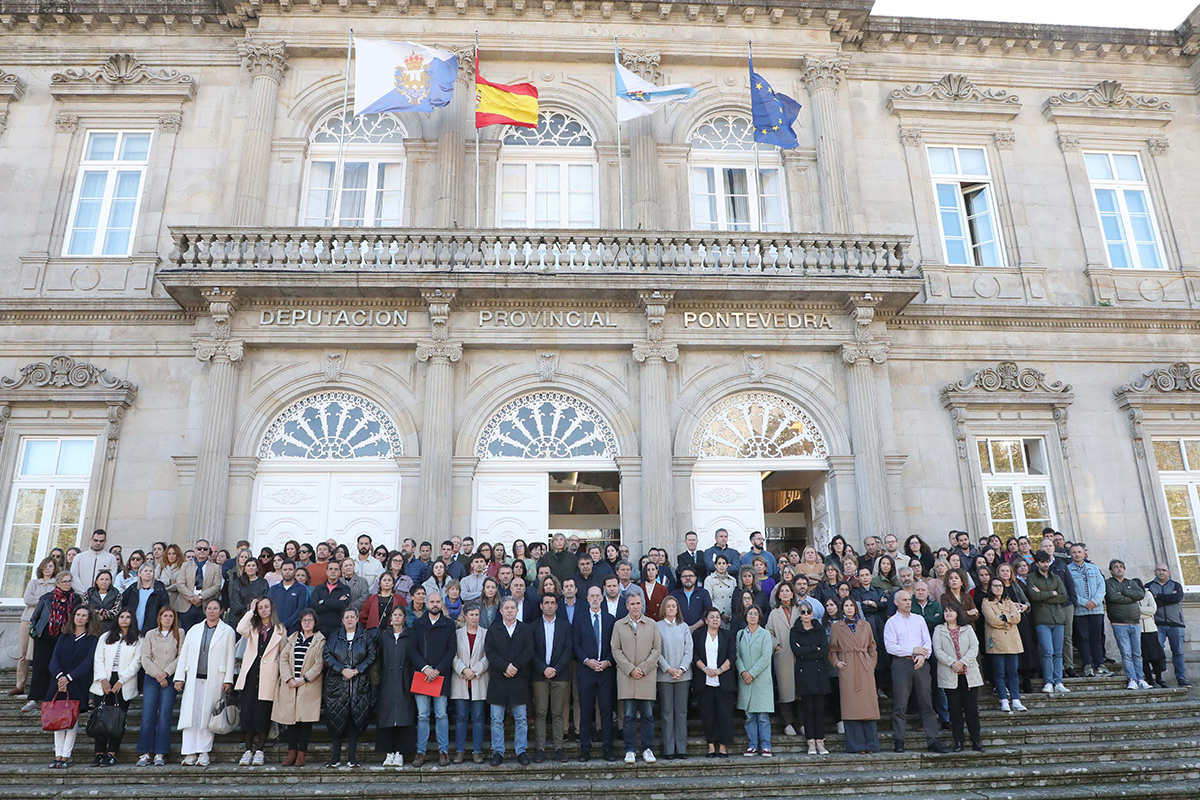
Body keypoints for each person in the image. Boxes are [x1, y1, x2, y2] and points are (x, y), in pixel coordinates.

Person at [174, 598, 235, 766]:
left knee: (207, 716)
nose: (212, 611)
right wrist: (179, 677)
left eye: (215, 608)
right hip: (194, 678)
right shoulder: (194, 629)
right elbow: (184, 654)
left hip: (215, 678)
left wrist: (228, 679)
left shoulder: (227, 631)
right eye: (209, 608)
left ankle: (204, 752)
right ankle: (189, 753)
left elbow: (230, 657)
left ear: (221, 611)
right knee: (190, 715)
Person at [883, 590, 946, 753]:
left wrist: (923, 656)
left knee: (927, 702)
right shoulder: (891, 623)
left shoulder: (919, 620)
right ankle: (899, 740)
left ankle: (933, 740)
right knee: (900, 703)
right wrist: (912, 650)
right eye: (904, 600)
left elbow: (927, 642)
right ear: (896, 603)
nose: (908, 602)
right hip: (901, 664)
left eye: (909, 600)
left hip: (921, 663)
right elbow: (890, 647)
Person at [234, 597, 284, 766]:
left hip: (268, 675)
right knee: (247, 713)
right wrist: (251, 610)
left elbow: (283, 653)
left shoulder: (279, 629)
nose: (263, 610)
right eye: (260, 607)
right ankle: (248, 750)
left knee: (263, 714)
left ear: (271, 608)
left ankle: (260, 750)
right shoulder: (253, 627)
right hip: (250, 674)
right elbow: (240, 627)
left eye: (266, 607)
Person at [611, 592, 660, 764]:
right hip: (627, 676)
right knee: (629, 715)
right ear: (627, 606)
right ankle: (630, 749)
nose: (636, 606)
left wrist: (643, 668)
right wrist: (631, 669)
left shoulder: (652, 624)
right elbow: (616, 649)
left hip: (646, 676)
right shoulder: (619, 625)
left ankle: (648, 749)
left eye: (638, 603)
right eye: (632, 604)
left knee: (647, 715)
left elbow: (656, 649)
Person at [322, 608, 375, 768]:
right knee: (336, 720)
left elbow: (371, 655)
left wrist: (358, 669)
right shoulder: (334, 637)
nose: (350, 620)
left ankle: (352, 758)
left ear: (357, 619)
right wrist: (341, 669)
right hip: (337, 686)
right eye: (347, 617)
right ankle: (335, 757)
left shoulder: (365, 636)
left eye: (353, 617)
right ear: (342, 620)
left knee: (354, 720)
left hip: (359, 685)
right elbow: (327, 655)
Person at [484, 597, 534, 766]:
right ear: (501, 611)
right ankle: (498, 751)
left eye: (513, 607)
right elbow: (489, 652)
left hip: (519, 679)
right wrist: (505, 666)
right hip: (499, 679)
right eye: (507, 608)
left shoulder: (525, 629)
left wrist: (515, 666)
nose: (510, 610)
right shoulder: (493, 629)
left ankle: (521, 751)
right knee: (496, 719)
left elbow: (529, 650)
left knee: (521, 719)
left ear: (517, 610)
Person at [46, 606, 97, 769]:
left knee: (71, 719)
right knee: (57, 718)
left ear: (88, 619)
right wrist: (60, 676)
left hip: (77, 683)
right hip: (58, 683)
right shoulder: (64, 637)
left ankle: (66, 755)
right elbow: (54, 660)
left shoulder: (92, 639)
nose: (80, 618)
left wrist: (69, 677)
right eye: (78, 615)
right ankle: (57, 754)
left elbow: (87, 663)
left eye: (84, 615)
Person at [88, 608, 140, 765]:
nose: (124, 619)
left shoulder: (138, 639)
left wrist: (121, 680)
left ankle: (112, 753)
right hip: (104, 680)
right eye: (121, 617)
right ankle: (99, 752)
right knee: (101, 717)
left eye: (128, 617)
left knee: (118, 719)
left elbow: (136, 663)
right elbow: (98, 658)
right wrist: (103, 679)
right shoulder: (106, 637)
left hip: (123, 681)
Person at [273, 609, 325, 767]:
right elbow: (283, 659)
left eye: (310, 620)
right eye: (304, 620)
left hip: (308, 685)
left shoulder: (319, 640)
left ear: (315, 622)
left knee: (305, 722)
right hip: (290, 685)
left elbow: (319, 664)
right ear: (300, 622)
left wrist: (304, 679)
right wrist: (288, 678)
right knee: (291, 721)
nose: (307, 622)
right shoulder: (293, 638)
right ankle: (291, 753)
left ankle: (301, 754)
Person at [828, 596, 880, 754]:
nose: (849, 608)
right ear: (842, 608)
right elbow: (832, 650)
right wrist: (837, 663)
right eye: (846, 606)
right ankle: (856, 745)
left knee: (868, 705)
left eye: (851, 605)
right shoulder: (837, 627)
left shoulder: (866, 625)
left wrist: (871, 663)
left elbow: (872, 647)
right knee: (851, 707)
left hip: (864, 666)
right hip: (848, 667)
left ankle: (871, 744)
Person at [26, 571, 82, 714]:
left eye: (69, 581)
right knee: (41, 666)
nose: (67, 584)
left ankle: (53, 697)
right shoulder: (47, 597)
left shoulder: (76, 599)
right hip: (45, 636)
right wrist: (33, 630)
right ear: (57, 583)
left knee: (60, 668)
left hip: (65, 637)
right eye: (64, 581)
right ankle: (35, 698)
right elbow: (35, 616)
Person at [573, 585, 617, 762]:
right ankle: (585, 748)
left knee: (606, 711)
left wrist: (607, 661)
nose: (594, 599)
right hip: (586, 671)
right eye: (591, 596)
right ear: (587, 598)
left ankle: (608, 748)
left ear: (602, 597)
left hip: (606, 671)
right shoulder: (579, 618)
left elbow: (615, 645)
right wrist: (587, 661)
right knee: (586, 711)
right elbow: (575, 644)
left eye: (597, 595)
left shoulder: (610, 619)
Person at [933, 601, 984, 752]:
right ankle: (958, 742)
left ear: (957, 613)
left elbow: (974, 647)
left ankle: (976, 740)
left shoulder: (967, 629)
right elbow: (938, 650)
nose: (948, 613)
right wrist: (953, 663)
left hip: (968, 674)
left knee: (972, 710)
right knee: (954, 711)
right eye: (946, 611)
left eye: (951, 611)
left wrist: (962, 662)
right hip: (950, 674)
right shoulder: (939, 630)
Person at [411, 590, 455, 766]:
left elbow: (452, 650)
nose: (435, 604)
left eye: (438, 602)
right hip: (422, 675)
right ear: (427, 604)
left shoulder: (449, 625)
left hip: (440, 675)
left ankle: (443, 751)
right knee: (422, 715)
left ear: (441, 604)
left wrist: (437, 669)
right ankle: (420, 752)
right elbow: (412, 650)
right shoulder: (417, 624)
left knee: (441, 714)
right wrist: (425, 668)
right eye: (432, 602)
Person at [136, 607, 181, 766]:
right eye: (165, 616)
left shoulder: (179, 633)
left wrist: (166, 673)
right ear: (159, 618)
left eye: (171, 616)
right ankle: (145, 752)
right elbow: (145, 658)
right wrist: (158, 674)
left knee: (165, 715)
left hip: (169, 678)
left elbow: (181, 656)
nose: (168, 619)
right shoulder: (150, 634)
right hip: (151, 677)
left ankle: (160, 752)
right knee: (148, 714)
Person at [530, 591, 571, 763]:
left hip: (560, 675)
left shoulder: (565, 626)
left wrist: (554, 669)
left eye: (552, 602)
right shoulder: (533, 626)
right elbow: (530, 651)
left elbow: (568, 650)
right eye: (546, 602)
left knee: (558, 713)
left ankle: (558, 748)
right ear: (541, 606)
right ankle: (540, 749)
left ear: (556, 606)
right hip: (539, 676)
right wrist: (543, 669)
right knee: (540, 712)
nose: (549, 605)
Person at [375, 605, 417, 768]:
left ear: (404, 618)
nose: (397, 617)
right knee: (387, 715)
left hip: (404, 679)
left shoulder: (410, 635)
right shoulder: (384, 637)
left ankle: (400, 752)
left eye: (400, 615)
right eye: (394, 615)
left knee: (404, 715)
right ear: (390, 618)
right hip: (387, 680)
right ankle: (388, 752)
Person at [693, 607, 735, 758]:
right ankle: (711, 746)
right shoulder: (698, 635)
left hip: (723, 680)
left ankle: (723, 746)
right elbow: (695, 655)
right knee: (707, 714)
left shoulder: (727, 635)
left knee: (724, 714)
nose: (716, 619)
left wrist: (720, 670)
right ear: (706, 620)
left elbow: (732, 655)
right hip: (704, 680)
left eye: (718, 617)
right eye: (712, 617)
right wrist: (705, 669)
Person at [790, 598, 831, 755]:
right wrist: (814, 648)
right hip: (804, 673)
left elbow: (824, 650)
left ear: (813, 613)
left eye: (808, 612)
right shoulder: (795, 631)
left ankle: (820, 741)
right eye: (803, 612)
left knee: (819, 709)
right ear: (799, 614)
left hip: (819, 672)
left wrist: (807, 649)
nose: (806, 615)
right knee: (807, 709)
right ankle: (811, 742)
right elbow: (796, 651)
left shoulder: (819, 629)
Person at [15, 556, 58, 698]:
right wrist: (44, 599)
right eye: (45, 566)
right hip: (28, 619)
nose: (47, 568)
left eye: (51, 566)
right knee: (23, 654)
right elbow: (27, 599)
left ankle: (38, 687)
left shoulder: (55, 584)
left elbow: (54, 601)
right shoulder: (33, 583)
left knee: (38, 656)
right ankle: (20, 685)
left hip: (44, 624)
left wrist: (41, 600)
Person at [1027, 551, 1070, 694]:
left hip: (1058, 618)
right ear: (1037, 563)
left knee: (1058, 652)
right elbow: (1034, 596)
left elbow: (1063, 596)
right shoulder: (1032, 578)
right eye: (1043, 562)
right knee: (1047, 651)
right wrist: (1052, 593)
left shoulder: (1056, 578)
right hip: (1042, 619)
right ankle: (1048, 681)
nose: (1045, 564)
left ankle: (1058, 681)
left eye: (1047, 561)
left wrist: (1043, 595)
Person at [655, 595, 692, 760]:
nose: (671, 609)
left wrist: (681, 669)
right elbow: (656, 651)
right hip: (665, 676)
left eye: (673, 606)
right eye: (668, 606)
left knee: (681, 712)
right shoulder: (657, 627)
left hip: (683, 676)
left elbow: (688, 650)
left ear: (678, 609)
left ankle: (681, 748)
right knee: (667, 713)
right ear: (664, 608)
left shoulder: (684, 627)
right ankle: (669, 749)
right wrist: (668, 669)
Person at [452, 605, 489, 764]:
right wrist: (463, 670)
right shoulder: (457, 634)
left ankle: (477, 751)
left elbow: (488, 656)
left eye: (477, 614)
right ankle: (460, 751)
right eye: (471, 614)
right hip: (461, 680)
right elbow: (452, 655)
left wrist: (475, 670)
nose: (474, 617)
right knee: (460, 717)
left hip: (478, 679)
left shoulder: (486, 634)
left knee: (479, 717)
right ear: (465, 616)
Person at [982, 578, 1026, 712]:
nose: (998, 588)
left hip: (1012, 641)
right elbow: (991, 620)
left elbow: (1017, 617)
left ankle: (1016, 699)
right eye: (995, 586)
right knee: (999, 672)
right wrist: (1009, 618)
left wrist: (1003, 617)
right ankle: (1004, 700)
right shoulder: (986, 602)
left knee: (1013, 672)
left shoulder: (1009, 601)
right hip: (996, 641)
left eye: (1000, 586)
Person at [735, 604, 774, 757]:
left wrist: (751, 673)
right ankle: (752, 745)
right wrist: (743, 672)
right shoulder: (740, 634)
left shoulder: (765, 634)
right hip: (745, 680)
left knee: (763, 717)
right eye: (750, 613)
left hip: (761, 679)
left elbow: (766, 657)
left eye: (755, 614)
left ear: (759, 617)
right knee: (750, 716)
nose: (752, 616)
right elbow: (737, 655)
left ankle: (765, 745)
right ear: (746, 616)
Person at [1105, 559, 1150, 690]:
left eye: (1121, 567)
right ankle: (1132, 679)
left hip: (1135, 623)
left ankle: (1140, 678)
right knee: (1126, 653)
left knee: (1137, 653)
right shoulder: (1109, 583)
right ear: (1111, 571)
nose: (1119, 569)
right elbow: (1113, 597)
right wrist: (1131, 597)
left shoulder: (1131, 582)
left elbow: (1140, 594)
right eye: (1115, 567)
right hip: (1119, 623)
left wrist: (1124, 592)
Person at [1067, 543, 1109, 677]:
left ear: (1084, 553)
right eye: (1074, 552)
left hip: (1096, 610)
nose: (1077, 554)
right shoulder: (1068, 570)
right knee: (1083, 638)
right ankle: (1088, 665)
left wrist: (1095, 601)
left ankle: (1099, 664)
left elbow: (1102, 585)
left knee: (1096, 637)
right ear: (1070, 554)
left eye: (1079, 552)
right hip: (1080, 610)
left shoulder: (1093, 568)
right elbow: (1069, 590)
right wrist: (1084, 602)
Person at [766, 582, 800, 736]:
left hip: (800, 654)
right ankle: (788, 724)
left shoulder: (800, 610)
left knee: (800, 690)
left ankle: (802, 723)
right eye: (782, 591)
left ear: (793, 593)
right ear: (778, 595)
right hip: (783, 655)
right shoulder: (774, 613)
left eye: (788, 591)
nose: (785, 593)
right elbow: (769, 633)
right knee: (785, 690)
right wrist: (776, 646)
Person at [1147, 563, 1189, 686]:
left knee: (1178, 652)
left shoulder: (1176, 585)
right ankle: (1160, 673)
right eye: (1159, 570)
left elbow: (1177, 598)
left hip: (1176, 623)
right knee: (1158, 650)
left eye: (1164, 570)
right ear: (1155, 572)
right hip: (1157, 623)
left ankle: (1181, 678)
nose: (1161, 572)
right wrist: (1167, 598)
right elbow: (1148, 602)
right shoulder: (1149, 586)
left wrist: (1158, 597)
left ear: (1168, 572)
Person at [173, 540, 221, 630]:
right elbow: (180, 584)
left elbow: (216, 586)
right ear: (195, 550)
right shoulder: (185, 565)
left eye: (205, 549)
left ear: (208, 551)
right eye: (199, 548)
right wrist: (192, 597)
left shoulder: (215, 568)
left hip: (205, 605)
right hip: (186, 605)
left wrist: (200, 597)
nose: (202, 551)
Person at [120, 563, 169, 635]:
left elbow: (164, 606)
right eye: (145, 571)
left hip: (152, 624)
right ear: (139, 574)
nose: (148, 573)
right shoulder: (133, 588)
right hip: (134, 623)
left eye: (151, 571)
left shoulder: (159, 589)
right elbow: (123, 603)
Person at [309, 560, 352, 638]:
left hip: (337, 629)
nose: (333, 571)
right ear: (327, 571)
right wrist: (336, 602)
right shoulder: (319, 589)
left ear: (340, 572)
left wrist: (323, 601)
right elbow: (314, 607)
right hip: (319, 629)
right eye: (331, 569)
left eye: (336, 569)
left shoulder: (345, 589)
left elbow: (343, 605)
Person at [1139, 581, 1168, 688]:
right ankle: (1150, 679)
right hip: (1139, 630)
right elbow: (1131, 612)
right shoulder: (1130, 597)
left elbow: (1153, 609)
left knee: (1157, 656)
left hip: (1151, 629)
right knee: (1144, 657)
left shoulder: (1148, 594)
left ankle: (1159, 677)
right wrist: (1145, 613)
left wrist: (1139, 611)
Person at [670, 567, 712, 632]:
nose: (688, 578)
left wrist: (693, 627)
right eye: (684, 576)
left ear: (695, 578)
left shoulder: (703, 593)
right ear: (680, 578)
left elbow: (708, 613)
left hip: (700, 632)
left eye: (691, 576)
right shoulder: (674, 594)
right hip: (678, 631)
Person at [85, 570, 121, 634]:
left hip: (109, 627)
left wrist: (102, 615)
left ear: (110, 582)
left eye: (107, 579)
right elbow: (85, 609)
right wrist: (97, 616)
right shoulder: (89, 593)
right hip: (91, 626)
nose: (104, 582)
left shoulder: (116, 594)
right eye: (101, 579)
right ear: (96, 581)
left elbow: (116, 612)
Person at [704, 555, 737, 625]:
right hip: (716, 616)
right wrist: (720, 613)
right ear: (715, 565)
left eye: (723, 563)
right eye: (719, 563)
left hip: (730, 616)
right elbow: (708, 599)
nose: (721, 566)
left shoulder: (733, 580)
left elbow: (736, 598)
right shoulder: (709, 580)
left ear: (727, 565)